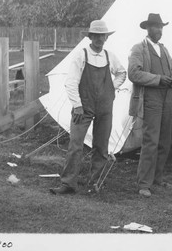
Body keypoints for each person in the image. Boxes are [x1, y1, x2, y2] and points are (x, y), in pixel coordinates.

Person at [50, 20, 126, 195]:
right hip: (83, 107)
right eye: (96, 36)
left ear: (106, 37)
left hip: (105, 106)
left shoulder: (110, 56)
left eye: (102, 36)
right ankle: (68, 183)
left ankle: (95, 183)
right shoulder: (81, 55)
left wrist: (112, 87)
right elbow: (71, 83)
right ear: (90, 37)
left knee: (101, 145)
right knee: (75, 145)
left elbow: (122, 73)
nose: (99, 39)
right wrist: (77, 105)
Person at [128, 13, 172, 198]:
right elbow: (133, 74)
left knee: (165, 141)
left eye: (161, 27)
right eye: (156, 26)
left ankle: (157, 178)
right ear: (148, 28)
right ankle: (144, 183)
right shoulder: (139, 49)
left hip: (167, 99)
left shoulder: (164, 49)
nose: (159, 30)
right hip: (150, 99)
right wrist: (158, 79)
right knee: (150, 141)